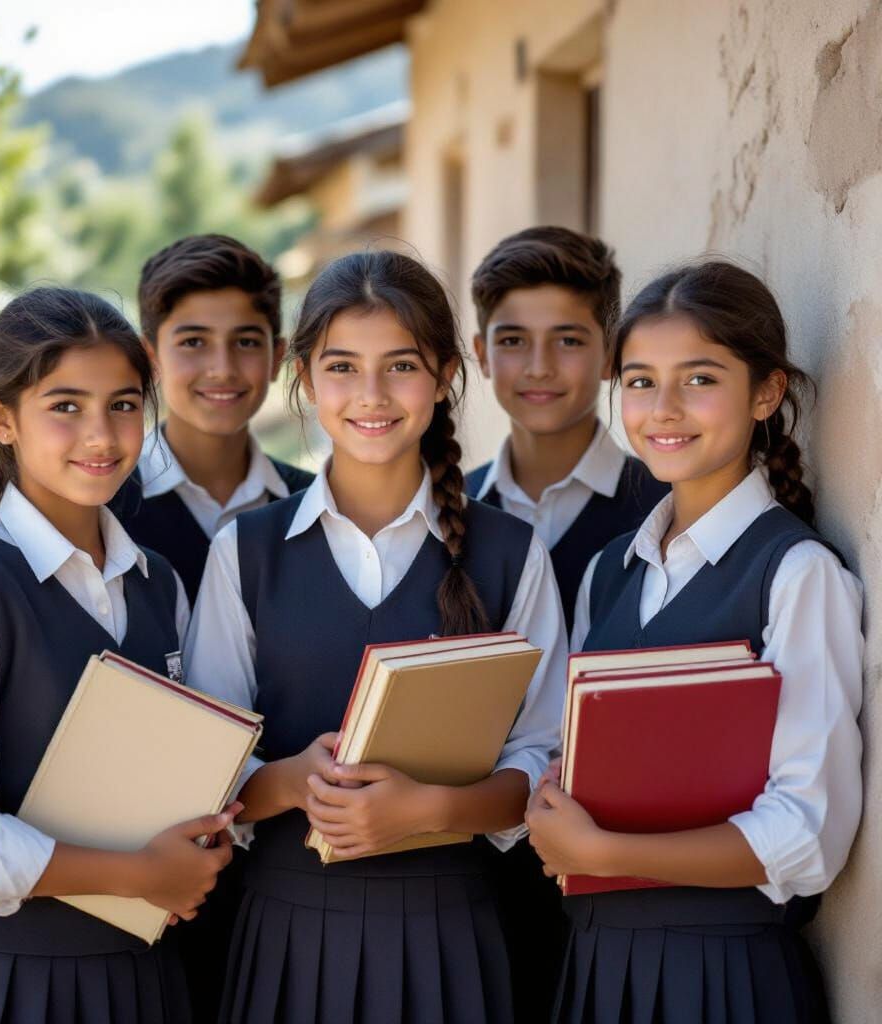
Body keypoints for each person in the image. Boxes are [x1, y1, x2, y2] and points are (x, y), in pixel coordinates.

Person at [186, 250, 568, 1023]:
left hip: (452, 937)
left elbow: (545, 759)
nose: (370, 395)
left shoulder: (512, 553)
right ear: (303, 377)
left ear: (445, 376)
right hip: (285, 936)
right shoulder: (243, 553)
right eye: (341, 366)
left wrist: (426, 808)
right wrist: (293, 780)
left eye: (400, 365)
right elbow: (203, 767)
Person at [0, 288, 237, 1023]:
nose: (101, 435)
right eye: (66, 406)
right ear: (2, 419)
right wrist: (141, 873)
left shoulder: (158, 584)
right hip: (27, 983)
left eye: (125, 404)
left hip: (155, 974)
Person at [528, 260, 864, 1024]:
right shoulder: (608, 573)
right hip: (597, 968)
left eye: (700, 379)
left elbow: (808, 836)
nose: (663, 409)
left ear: (768, 393)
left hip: (724, 977)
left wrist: (608, 856)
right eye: (641, 381)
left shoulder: (798, 573)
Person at [466, 226, 667, 1019]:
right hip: (475, 887)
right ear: (481, 356)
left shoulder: (667, 508)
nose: (539, 367)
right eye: (513, 340)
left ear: (612, 352)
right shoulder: (448, 522)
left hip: (631, 887)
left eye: (570, 340)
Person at [112, 234, 313, 606]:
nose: (222, 369)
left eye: (247, 342)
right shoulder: (104, 508)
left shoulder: (317, 507)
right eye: (193, 342)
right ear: (149, 357)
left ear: (276, 356)